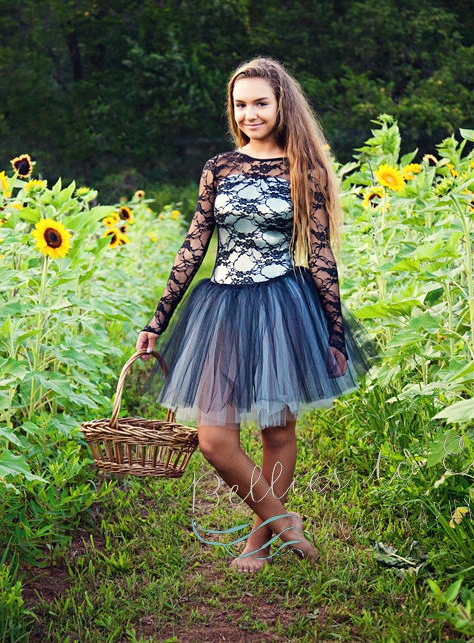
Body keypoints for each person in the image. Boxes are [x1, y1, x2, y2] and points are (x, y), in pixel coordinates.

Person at [135, 57, 382, 572]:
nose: (249, 114)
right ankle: (284, 523)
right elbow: (193, 247)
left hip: (282, 304)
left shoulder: (303, 170)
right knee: (214, 439)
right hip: (222, 305)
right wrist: (156, 321)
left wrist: (334, 333)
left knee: (276, 432)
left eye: (260, 103)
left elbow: (320, 254)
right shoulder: (218, 168)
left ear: (280, 105)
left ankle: (258, 542)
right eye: (240, 105)